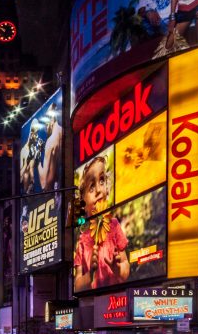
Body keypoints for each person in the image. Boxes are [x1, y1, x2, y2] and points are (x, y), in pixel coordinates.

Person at [73, 156, 130, 292]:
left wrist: (117, 269)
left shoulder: (114, 225)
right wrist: (89, 275)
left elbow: (125, 265)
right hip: (92, 303)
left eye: (102, 180)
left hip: (116, 300)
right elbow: (77, 285)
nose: (98, 190)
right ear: (83, 203)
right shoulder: (82, 240)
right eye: (91, 188)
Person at [37, 103, 63, 191]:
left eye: (46, 123)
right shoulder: (64, 131)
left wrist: (37, 160)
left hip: (56, 196)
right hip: (66, 187)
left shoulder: (50, 141)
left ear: (52, 119)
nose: (45, 128)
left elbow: (44, 185)